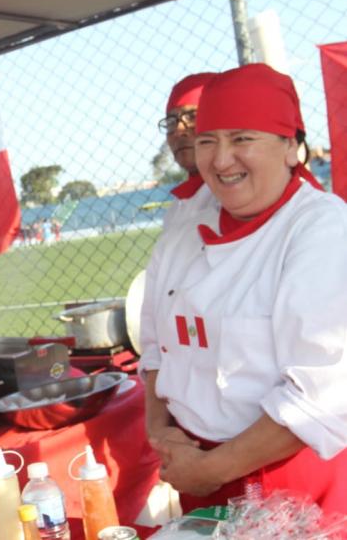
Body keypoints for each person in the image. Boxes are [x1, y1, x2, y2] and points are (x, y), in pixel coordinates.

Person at [139, 63, 347, 514]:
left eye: (242, 139)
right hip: (195, 470)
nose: (221, 159)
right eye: (209, 141)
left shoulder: (321, 230)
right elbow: (157, 346)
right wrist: (161, 432)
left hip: (289, 482)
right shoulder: (184, 225)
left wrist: (211, 469)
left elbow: (320, 397)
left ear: (291, 147)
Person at [157, 72, 219, 230]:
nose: (179, 129)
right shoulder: (177, 209)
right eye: (171, 122)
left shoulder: (241, 199)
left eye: (192, 116)